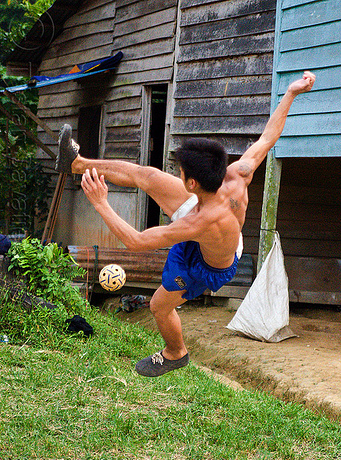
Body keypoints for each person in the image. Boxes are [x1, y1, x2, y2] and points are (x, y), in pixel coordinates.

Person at [55, 71, 315, 377]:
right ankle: (76, 163)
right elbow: (268, 137)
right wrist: (291, 93)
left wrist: (100, 203)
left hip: (207, 266)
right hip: (209, 219)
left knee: (158, 307)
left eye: (180, 171)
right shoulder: (236, 175)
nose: (177, 173)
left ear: (191, 182)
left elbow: (137, 242)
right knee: (148, 176)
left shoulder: (200, 222)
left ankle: (176, 353)